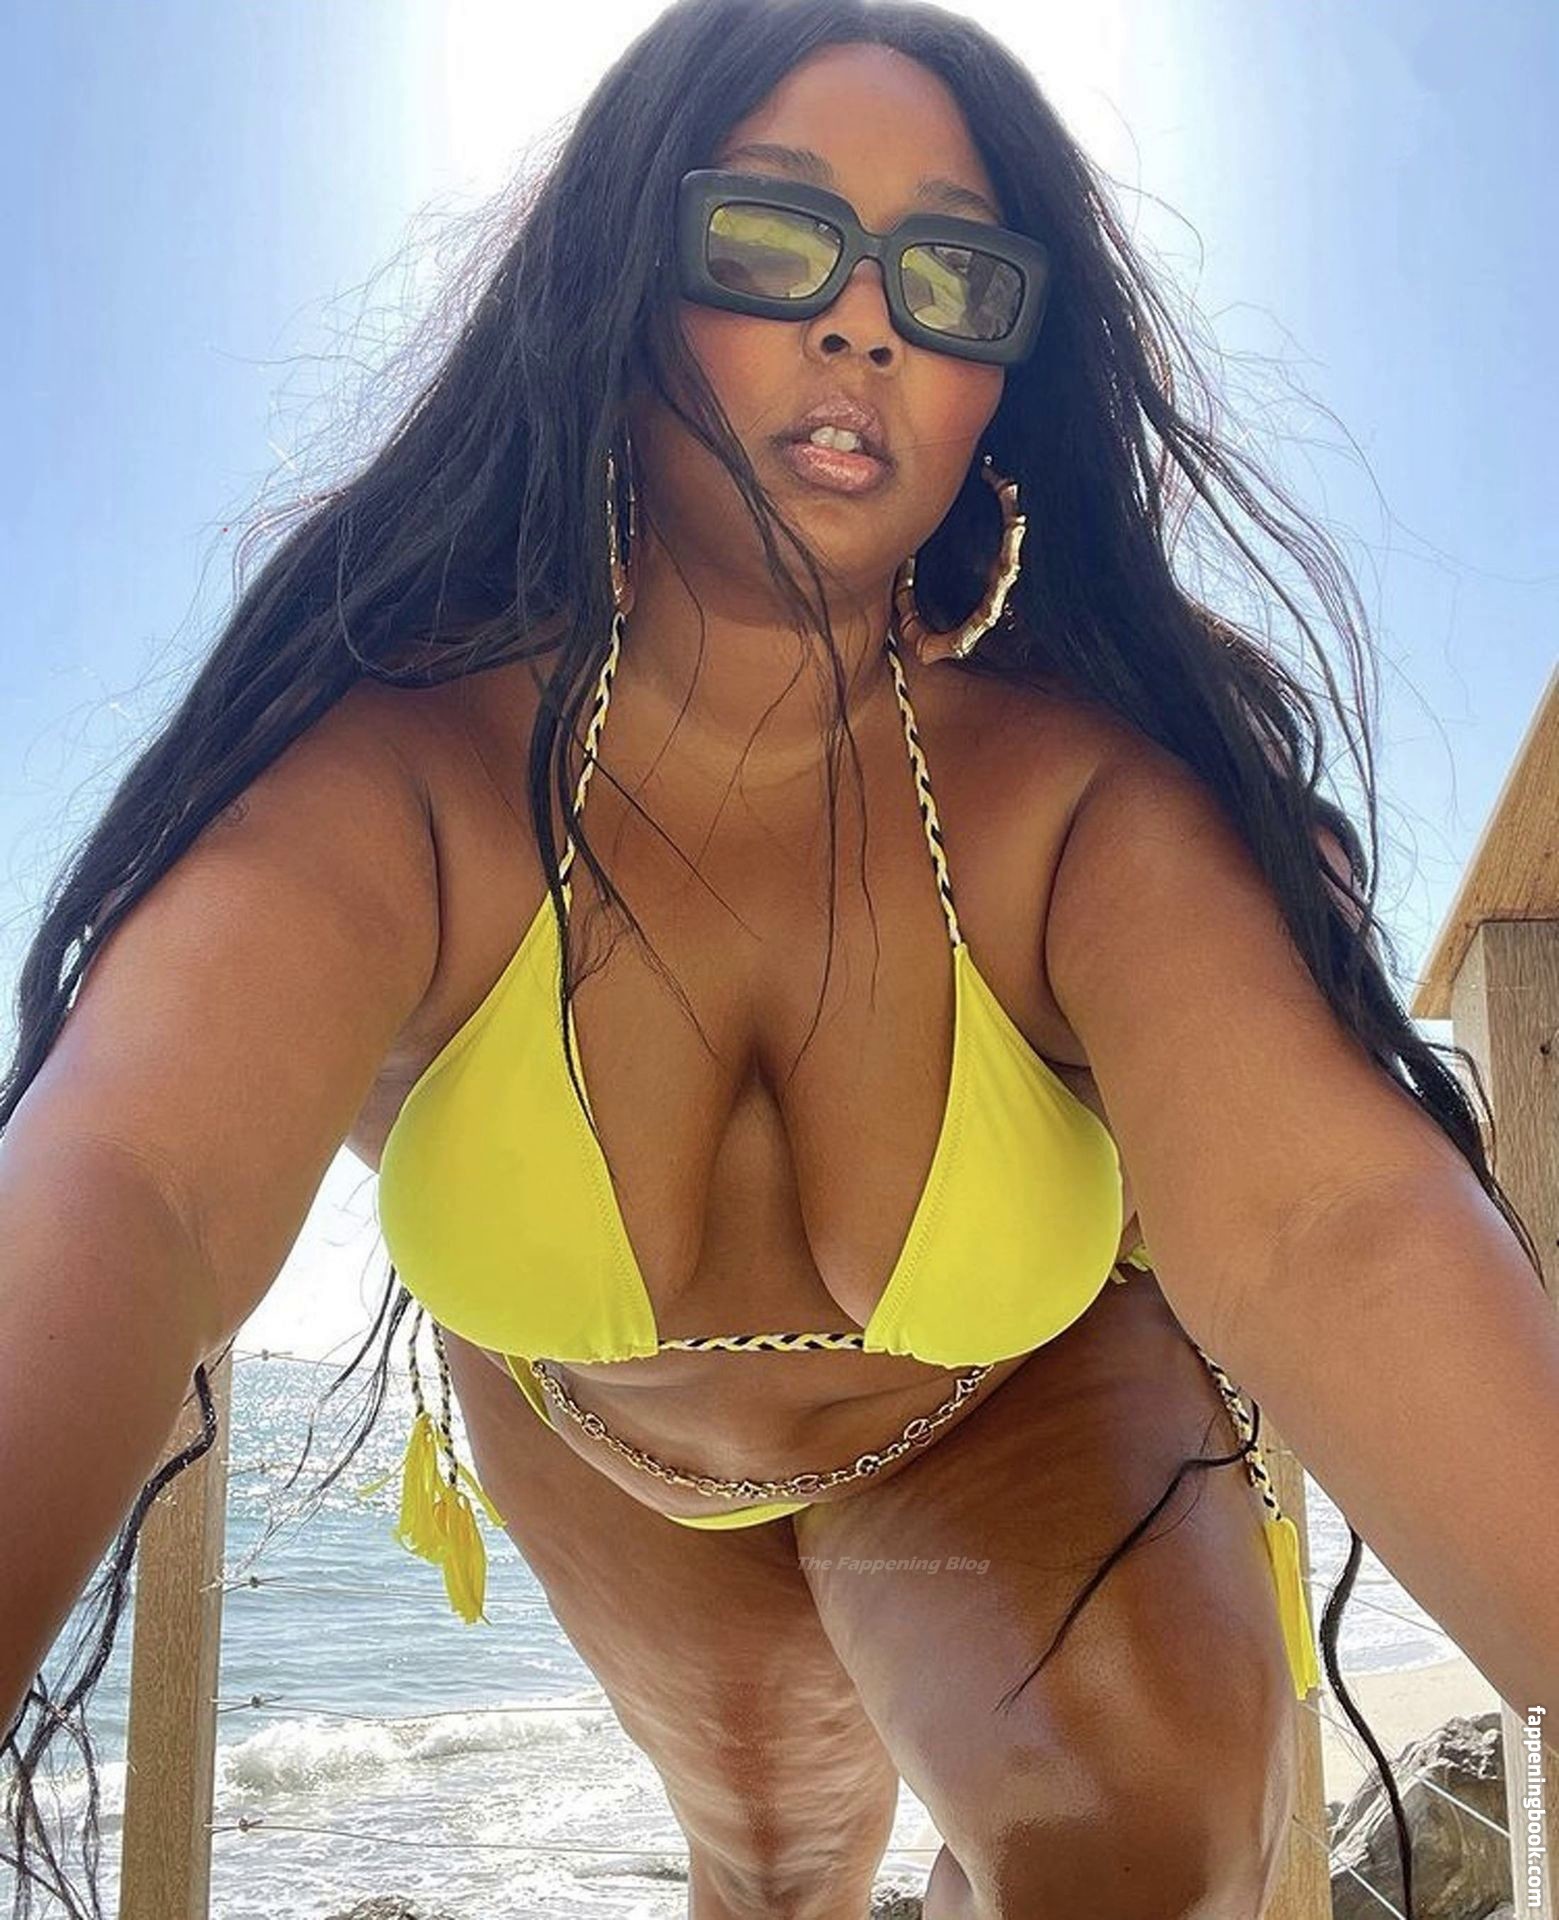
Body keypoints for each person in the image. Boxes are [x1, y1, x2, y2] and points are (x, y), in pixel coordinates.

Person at [4, 5, 1552, 1918]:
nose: (864, 322)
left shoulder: (1084, 805)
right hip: (609, 1457)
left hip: (1016, 1410)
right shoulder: (403, 781)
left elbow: (1335, 1226)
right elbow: (129, 1183)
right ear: (619, 283)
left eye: (953, 277)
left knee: (1138, 1859)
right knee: (772, 1878)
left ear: (1002, 379)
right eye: (770, 236)